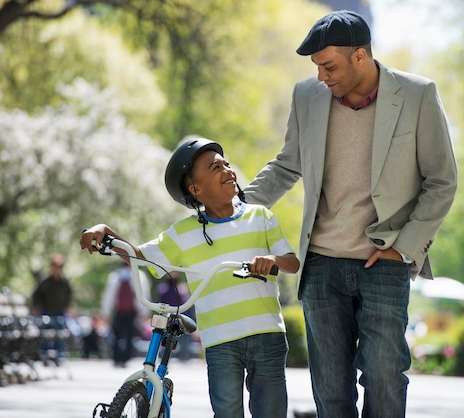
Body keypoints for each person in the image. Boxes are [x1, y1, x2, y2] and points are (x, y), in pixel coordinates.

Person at [243, 10, 457, 418]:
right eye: (317, 68)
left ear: (360, 56)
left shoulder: (417, 95)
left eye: (329, 66)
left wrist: (405, 248)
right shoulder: (306, 96)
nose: (322, 77)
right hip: (320, 265)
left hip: (385, 262)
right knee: (331, 391)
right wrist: (235, 209)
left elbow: (442, 180)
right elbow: (288, 165)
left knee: (385, 378)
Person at [80, 136, 300, 418]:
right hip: (220, 342)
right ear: (196, 189)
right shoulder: (183, 233)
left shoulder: (260, 216)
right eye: (215, 167)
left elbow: (292, 263)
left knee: (271, 413)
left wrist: (272, 260)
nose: (228, 170)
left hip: (267, 334)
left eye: (226, 163)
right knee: (227, 413)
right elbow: (142, 258)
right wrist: (105, 230)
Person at [101, 261, 151, 367]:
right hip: (119, 311)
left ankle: (124, 358)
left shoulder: (139, 276)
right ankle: (117, 357)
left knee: (129, 335)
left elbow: (143, 293)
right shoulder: (115, 277)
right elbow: (110, 295)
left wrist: (144, 311)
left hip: (132, 311)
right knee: (117, 335)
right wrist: (106, 312)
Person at [32, 253, 73, 357]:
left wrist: (68, 306)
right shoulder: (45, 281)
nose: (57, 269)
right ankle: (45, 354)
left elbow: (68, 295)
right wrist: (36, 307)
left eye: (59, 267)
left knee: (61, 331)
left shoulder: (64, 282)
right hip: (46, 311)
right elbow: (36, 296)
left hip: (59, 311)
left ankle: (60, 355)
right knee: (45, 332)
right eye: (55, 266)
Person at [156, 271, 197, 361]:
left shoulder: (162, 289)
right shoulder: (182, 289)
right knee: (184, 339)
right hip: (180, 317)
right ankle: (183, 357)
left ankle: (163, 356)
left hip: (167, 317)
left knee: (164, 337)